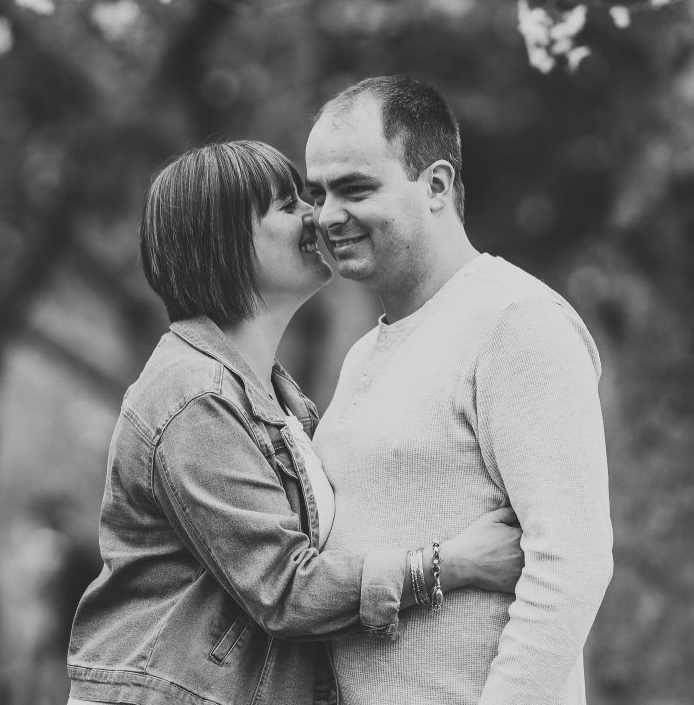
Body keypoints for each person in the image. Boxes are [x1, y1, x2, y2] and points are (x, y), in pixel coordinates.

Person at [66, 140, 524, 705]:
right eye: (289, 205)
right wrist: (449, 565)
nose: (319, 215)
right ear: (225, 239)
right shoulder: (192, 397)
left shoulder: (282, 404)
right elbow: (283, 589)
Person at [303, 75, 614, 704]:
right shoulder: (367, 352)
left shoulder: (515, 321)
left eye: (355, 188)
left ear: (437, 185)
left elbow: (572, 564)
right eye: (318, 193)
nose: (329, 215)